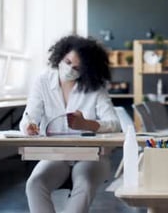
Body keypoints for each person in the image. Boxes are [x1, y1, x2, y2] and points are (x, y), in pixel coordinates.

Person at [19, 35, 121, 213]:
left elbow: (114, 124)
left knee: (84, 183)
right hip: (56, 154)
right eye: (67, 62)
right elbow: (29, 116)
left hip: (91, 156)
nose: (70, 69)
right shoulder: (42, 82)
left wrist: (86, 124)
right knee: (35, 184)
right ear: (60, 56)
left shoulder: (95, 87)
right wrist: (29, 126)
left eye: (77, 68)